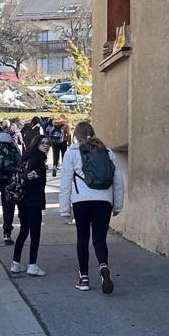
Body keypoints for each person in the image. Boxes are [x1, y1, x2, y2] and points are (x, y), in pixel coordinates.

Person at [58, 121, 124, 293]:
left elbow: (65, 182)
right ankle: (103, 265)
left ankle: (84, 278)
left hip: (81, 201)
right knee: (100, 239)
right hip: (104, 201)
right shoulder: (107, 152)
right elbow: (118, 180)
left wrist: (64, 209)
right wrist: (117, 204)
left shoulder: (72, 153)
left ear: (76, 136)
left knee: (82, 238)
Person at [8, 131, 48, 277]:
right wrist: (31, 176)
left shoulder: (28, 156)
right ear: (36, 144)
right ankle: (32, 265)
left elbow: (24, 174)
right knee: (35, 233)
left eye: (48, 144)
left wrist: (28, 176)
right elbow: (29, 174)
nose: (46, 146)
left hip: (23, 200)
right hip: (34, 201)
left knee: (24, 231)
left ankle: (15, 263)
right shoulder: (37, 158)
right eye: (43, 143)